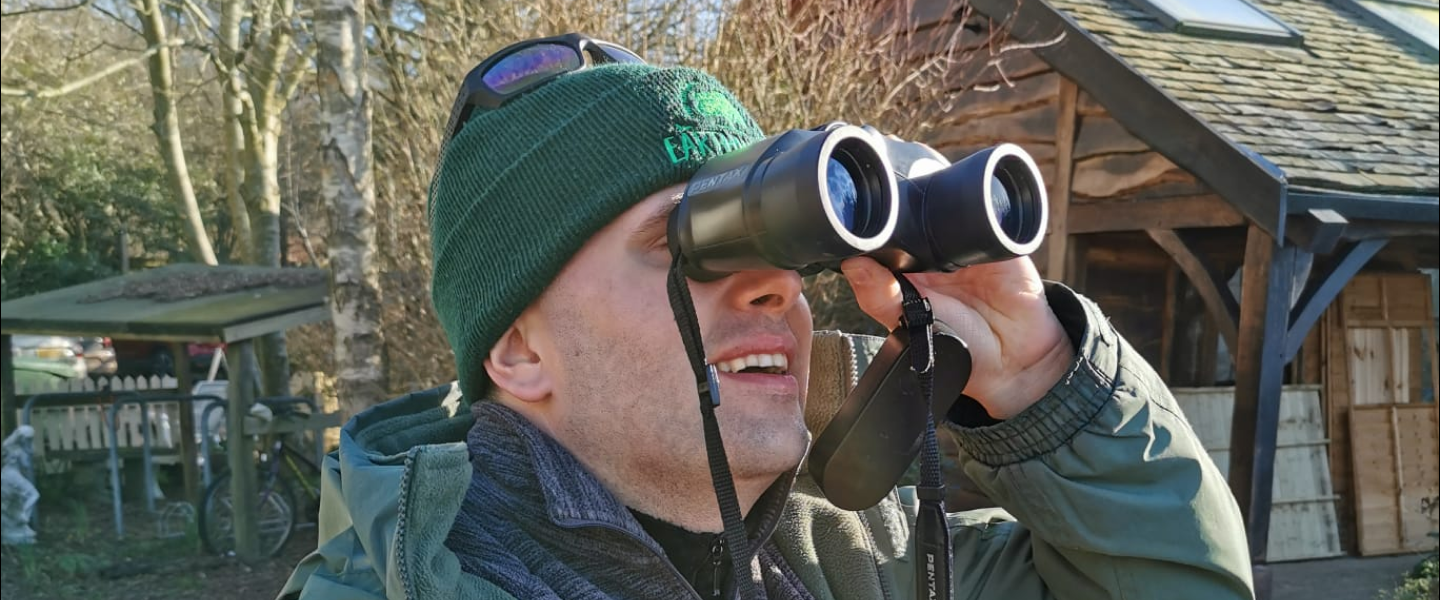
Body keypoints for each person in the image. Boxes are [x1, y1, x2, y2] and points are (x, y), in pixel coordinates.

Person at [279, 33, 1253, 600]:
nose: (774, 289)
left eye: (779, 242)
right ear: (520, 349)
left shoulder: (861, 566)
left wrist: (1036, 369)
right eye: (686, 243)